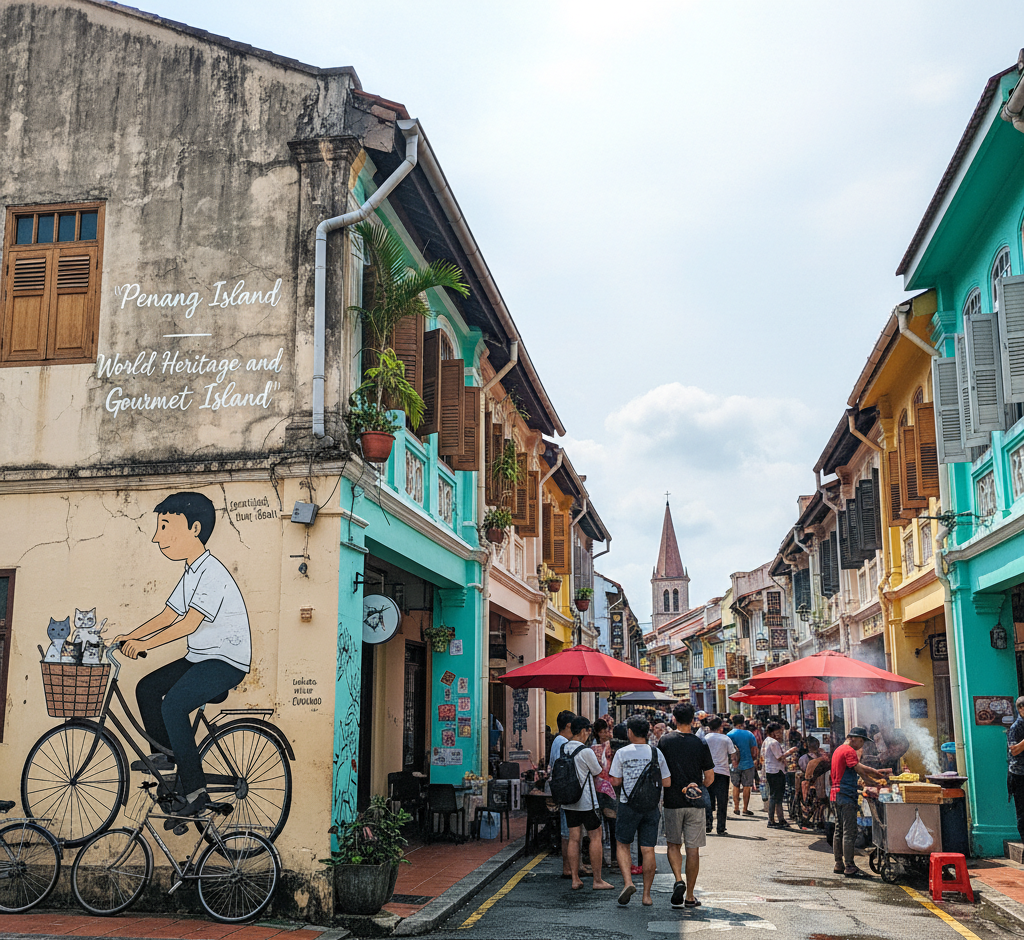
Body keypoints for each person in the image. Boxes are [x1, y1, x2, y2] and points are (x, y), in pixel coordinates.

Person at [115, 492, 251, 824]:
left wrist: (146, 646)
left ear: (194, 529)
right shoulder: (192, 571)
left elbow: (189, 622)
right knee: (147, 688)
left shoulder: (212, 573)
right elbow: (167, 615)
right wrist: (131, 637)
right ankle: (165, 757)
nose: (156, 536)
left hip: (226, 661)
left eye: (165, 527)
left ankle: (196, 793)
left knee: (173, 705)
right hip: (200, 657)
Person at [610, 716, 671, 908]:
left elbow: (616, 781)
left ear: (629, 732)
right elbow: (667, 782)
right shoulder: (656, 753)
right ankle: (647, 895)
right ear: (648, 732)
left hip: (628, 805)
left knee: (623, 844)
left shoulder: (621, 753)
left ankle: (628, 883)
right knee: (648, 849)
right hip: (651, 807)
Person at [658, 704, 715, 909]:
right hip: (695, 802)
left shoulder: (664, 741)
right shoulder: (700, 743)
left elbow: (660, 771)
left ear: (674, 718)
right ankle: (690, 896)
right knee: (693, 849)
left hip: (672, 801)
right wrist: (696, 787)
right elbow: (709, 777)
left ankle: (678, 879)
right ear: (693, 720)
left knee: (673, 845)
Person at [561, 717, 614, 891]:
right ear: (583, 731)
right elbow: (598, 772)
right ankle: (597, 880)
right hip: (586, 801)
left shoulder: (564, 748)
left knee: (574, 838)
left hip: (568, 800)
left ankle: (575, 879)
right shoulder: (585, 751)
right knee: (595, 836)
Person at [830, 727, 885, 877]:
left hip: (835, 795)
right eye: (862, 741)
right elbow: (860, 772)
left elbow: (861, 767)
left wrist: (877, 773)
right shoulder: (849, 751)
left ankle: (838, 863)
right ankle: (849, 865)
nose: (862, 745)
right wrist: (875, 784)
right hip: (846, 795)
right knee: (849, 831)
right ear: (854, 738)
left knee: (839, 830)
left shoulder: (839, 750)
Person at [549, 710, 576, 878]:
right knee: (567, 833)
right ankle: (567, 868)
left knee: (568, 832)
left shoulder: (559, 741)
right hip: (565, 790)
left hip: (562, 789)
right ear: (568, 725)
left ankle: (571, 866)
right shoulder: (562, 742)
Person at [703, 715, 737, 835]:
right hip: (723, 772)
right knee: (722, 801)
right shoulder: (725, 739)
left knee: (708, 799)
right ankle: (721, 828)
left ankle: (708, 825)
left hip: (708, 772)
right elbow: (733, 755)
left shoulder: (705, 738)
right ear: (720, 727)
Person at [591, 719, 618, 863]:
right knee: (604, 826)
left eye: (608, 730)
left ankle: (609, 858)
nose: (607, 733)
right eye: (605, 731)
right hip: (603, 790)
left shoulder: (611, 746)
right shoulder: (596, 748)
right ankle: (606, 858)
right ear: (599, 732)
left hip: (604, 790)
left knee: (606, 825)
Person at [763, 721, 798, 828]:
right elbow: (779, 757)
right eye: (777, 732)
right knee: (775, 796)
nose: (779, 734)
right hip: (776, 771)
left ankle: (780, 819)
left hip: (772, 770)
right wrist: (790, 752)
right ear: (772, 732)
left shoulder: (767, 741)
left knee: (777, 797)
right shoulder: (773, 742)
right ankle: (771, 820)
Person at [728, 715, 759, 816]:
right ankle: (745, 809)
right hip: (748, 763)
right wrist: (754, 760)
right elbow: (755, 750)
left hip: (734, 764)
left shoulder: (729, 734)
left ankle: (736, 807)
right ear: (743, 722)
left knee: (735, 785)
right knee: (747, 786)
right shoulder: (749, 734)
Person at [1007, 696, 1024, 843]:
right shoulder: (1016, 727)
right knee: (1023, 813)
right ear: (1021, 709)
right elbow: (1014, 751)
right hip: (1019, 775)